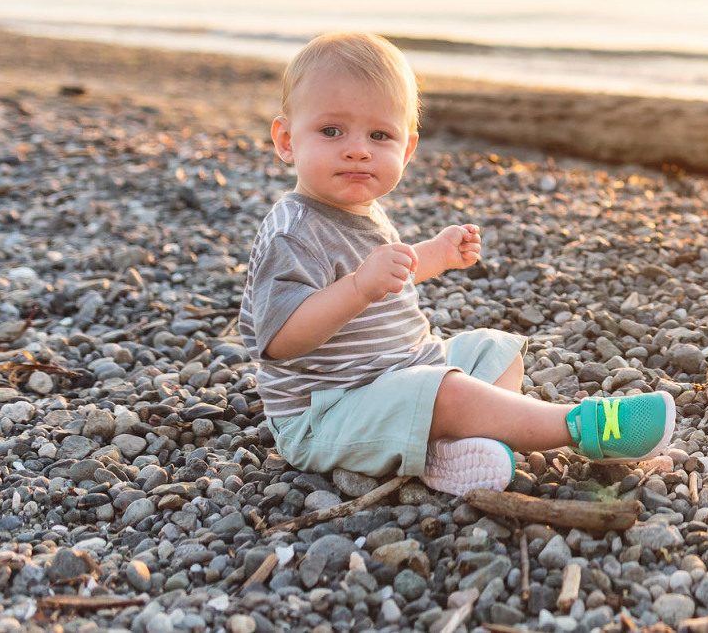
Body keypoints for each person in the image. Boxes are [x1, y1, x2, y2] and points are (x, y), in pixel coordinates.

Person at [238, 32, 675, 495]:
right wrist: (357, 289)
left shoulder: (360, 207)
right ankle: (583, 427)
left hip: (401, 370)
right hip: (327, 412)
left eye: (379, 135)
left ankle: (453, 447)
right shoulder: (294, 231)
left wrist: (436, 255)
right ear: (286, 140)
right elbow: (278, 340)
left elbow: (393, 278)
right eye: (331, 131)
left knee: (495, 350)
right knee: (446, 392)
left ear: (406, 150)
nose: (358, 149)